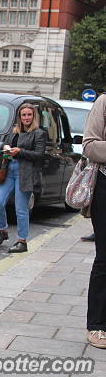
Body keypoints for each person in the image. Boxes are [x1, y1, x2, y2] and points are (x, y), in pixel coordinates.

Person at [0, 103, 46, 253]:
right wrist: (6, 148)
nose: (26, 118)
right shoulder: (14, 131)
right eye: (24, 115)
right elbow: (5, 145)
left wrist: (20, 151)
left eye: (29, 115)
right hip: (8, 170)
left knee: (21, 209)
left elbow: (40, 156)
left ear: (34, 116)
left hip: (25, 173)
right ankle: (3, 231)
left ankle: (22, 241)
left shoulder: (39, 133)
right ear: (19, 117)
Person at [83, 93, 106, 349]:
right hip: (105, 189)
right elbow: (89, 145)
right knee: (105, 257)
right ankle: (97, 325)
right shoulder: (104, 102)